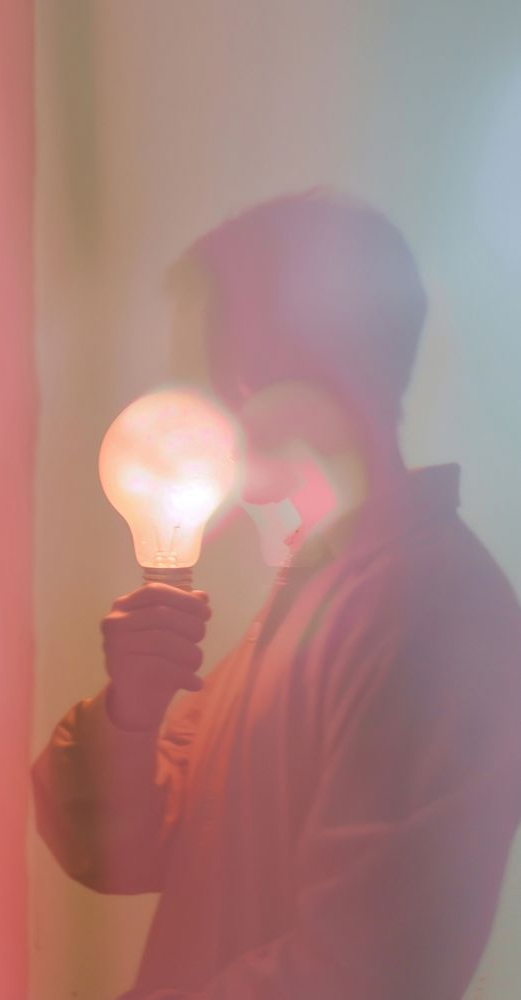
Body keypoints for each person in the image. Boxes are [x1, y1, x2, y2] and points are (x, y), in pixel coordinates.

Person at [31, 189, 521, 999]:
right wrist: (131, 712)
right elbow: (123, 848)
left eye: (206, 373)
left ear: (265, 373)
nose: (190, 409)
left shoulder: (433, 616)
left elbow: (359, 974)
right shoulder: (313, 597)